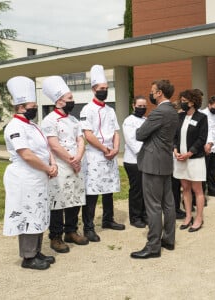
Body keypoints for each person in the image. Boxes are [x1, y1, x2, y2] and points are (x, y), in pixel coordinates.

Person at [3, 76, 58, 270]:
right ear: (20, 107)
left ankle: (36, 250)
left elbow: (45, 148)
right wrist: (48, 168)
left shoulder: (34, 126)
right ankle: (28, 256)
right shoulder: (14, 127)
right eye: (32, 106)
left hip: (38, 176)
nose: (35, 109)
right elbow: (26, 154)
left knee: (39, 213)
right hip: (25, 177)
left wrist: (52, 163)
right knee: (28, 214)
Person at [130, 79, 178, 259]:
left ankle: (153, 246)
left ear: (159, 93)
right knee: (168, 203)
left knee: (153, 206)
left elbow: (140, 134)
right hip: (165, 161)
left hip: (152, 163)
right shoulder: (172, 111)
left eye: (153, 91)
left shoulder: (159, 112)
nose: (151, 94)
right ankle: (169, 239)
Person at [41, 76, 88, 254]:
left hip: (75, 165)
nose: (72, 101)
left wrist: (78, 157)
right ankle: (55, 237)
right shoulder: (49, 120)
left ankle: (71, 231)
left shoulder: (75, 120)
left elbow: (80, 140)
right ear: (59, 101)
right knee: (58, 201)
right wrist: (71, 159)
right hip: (59, 166)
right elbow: (53, 144)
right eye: (69, 99)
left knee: (75, 199)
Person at [80, 64, 125, 242]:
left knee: (108, 190)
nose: (104, 91)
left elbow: (116, 131)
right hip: (94, 155)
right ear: (93, 89)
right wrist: (104, 149)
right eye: (101, 89)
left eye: (106, 89)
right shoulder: (86, 109)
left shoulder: (110, 110)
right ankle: (88, 227)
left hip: (110, 155)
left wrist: (115, 149)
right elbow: (88, 134)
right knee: (92, 193)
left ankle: (108, 220)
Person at [173, 89, 208, 232]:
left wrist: (189, 153)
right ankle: (188, 216)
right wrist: (175, 150)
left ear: (193, 102)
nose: (182, 103)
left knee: (197, 189)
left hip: (194, 158)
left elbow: (202, 139)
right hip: (180, 158)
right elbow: (174, 136)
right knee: (185, 188)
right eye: (181, 101)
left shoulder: (201, 117)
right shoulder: (180, 116)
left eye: (185, 101)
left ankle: (199, 218)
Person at [123, 96, 148, 228]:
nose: (142, 108)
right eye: (139, 106)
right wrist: (143, 152)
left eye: (144, 106)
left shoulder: (146, 120)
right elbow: (131, 140)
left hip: (146, 160)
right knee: (137, 190)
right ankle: (135, 217)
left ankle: (144, 214)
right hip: (133, 161)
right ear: (133, 106)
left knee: (145, 189)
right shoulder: (128, 121)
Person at [200, 95, 215, 198]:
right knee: (203, 171)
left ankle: (212, 190)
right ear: (209, 104)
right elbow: (204, 131)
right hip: (206, 146)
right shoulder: (202, 114)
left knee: (212, 170)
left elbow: (214, 130)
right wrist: (208, 144)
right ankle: (201, 194)